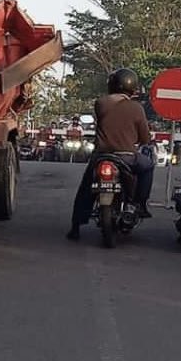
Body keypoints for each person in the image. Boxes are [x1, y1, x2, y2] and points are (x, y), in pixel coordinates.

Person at [66, 68, 154, 241]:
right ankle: (139, 204)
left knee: (86, 188)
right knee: (148, 166)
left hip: (102, 155)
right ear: (133, 88)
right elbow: (145, 137)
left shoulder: (101, 103)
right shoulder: (136, 108)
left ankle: (75, 226)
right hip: (127, 157)